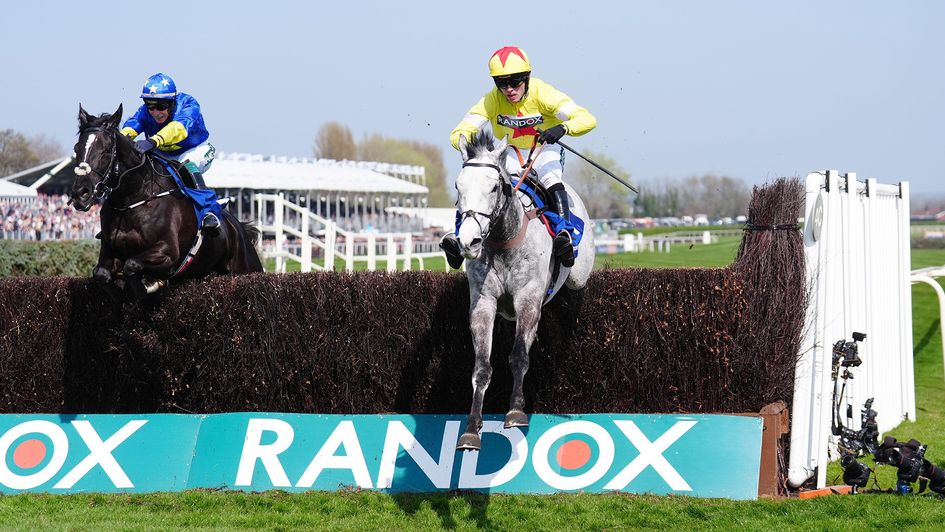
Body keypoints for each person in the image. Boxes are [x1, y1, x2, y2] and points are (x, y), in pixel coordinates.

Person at [443, 46, 597, 269]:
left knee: (550, 179)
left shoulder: (544, 93)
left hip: (544, 149)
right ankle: (459, 236)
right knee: (481, 182)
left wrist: (563, 128)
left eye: (515, 81)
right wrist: (467, 146)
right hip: (511, 153)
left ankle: (565, 235)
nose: (509, 89)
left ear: (527, 77)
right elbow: (459, 131)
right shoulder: (491, 99)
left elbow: (587, 119)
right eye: (501, 83)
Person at [120, 73, 220, 235]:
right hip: (163, 153)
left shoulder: (188, 104)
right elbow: (133, 124)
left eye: (160, 106)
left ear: (172, 102)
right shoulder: (146, 111)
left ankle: (209, 211)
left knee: (186, 164)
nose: (155, 112)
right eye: (150, 106)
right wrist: (119, 139)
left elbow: (178, 128)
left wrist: (153, 141)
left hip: (195, 150)